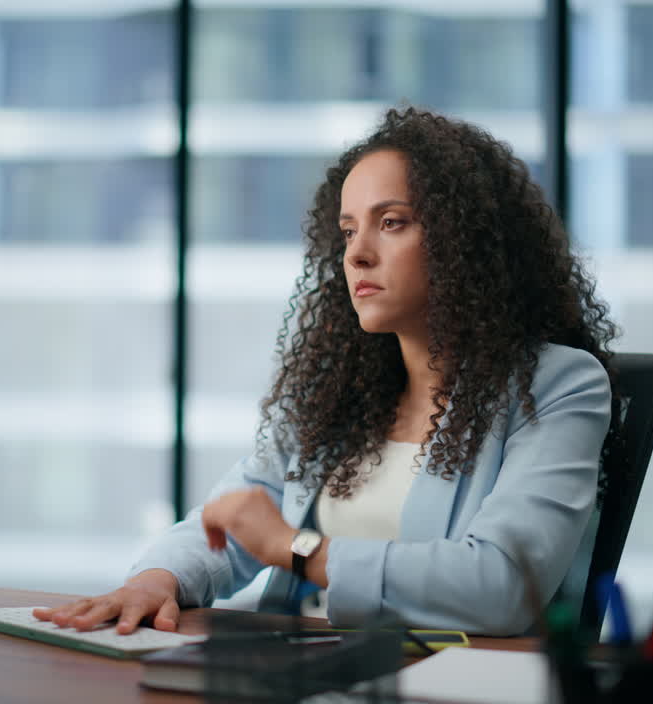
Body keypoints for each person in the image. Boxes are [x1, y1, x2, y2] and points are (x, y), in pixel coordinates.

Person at [35, 107, 618, 637]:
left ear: (466, 239)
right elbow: (237, 517)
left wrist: (297, 549)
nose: (357, 254)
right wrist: (156, 579)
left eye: (392, 222)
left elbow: (502, 586)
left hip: (432, 686)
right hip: (294, 671)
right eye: (348, 231)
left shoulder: (557, 385)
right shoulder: (342, 393)